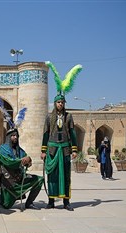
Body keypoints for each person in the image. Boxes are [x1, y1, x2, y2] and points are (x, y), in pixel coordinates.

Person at [41, 61, 83, 211]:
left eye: (62, 102)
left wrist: (74, 149)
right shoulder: (48, 117)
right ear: (55, 103)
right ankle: (51, 201)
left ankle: (66, 202)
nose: (60, 104)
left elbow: (72, 133)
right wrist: (43, 150)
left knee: (65, 175)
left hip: (64, 149)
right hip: (52, 149)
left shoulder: (68, 117)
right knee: (52, 175)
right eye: (58, 102)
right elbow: (45, 134)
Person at [0, 106, 44, 210]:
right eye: (13, 136)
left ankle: (29, 203)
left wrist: (29, 161)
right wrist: (21, 161)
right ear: (8, 137)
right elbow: (8, 162)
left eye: (16, 136)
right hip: (9, 183)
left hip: (20, 179)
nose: (15, 137)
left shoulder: (20, 150)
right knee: (6, 206)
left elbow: (27, 160)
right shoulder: (2, 149)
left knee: (39, 180)